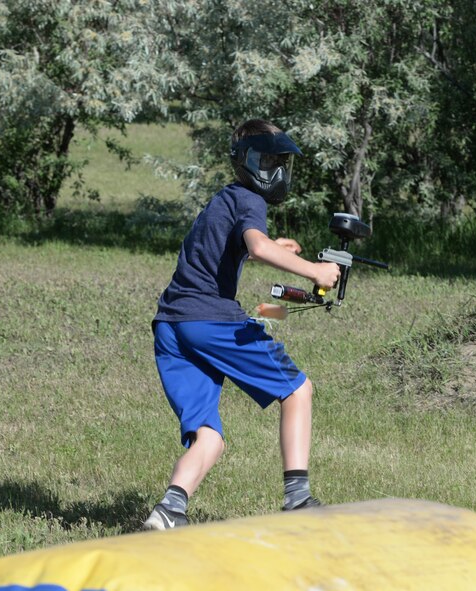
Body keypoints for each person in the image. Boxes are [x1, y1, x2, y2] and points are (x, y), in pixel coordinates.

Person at [142, 119, 341, 531]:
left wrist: (266, 249)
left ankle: (168, 512)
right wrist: (315, 271)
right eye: (267, 161)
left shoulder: (225, 198)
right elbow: (257, 245)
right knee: (298, 389)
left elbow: (225, 247)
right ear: (246, 162)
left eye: (279, 162)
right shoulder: (252, 199)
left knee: (209, 437)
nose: (276, 171)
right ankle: (298, 499)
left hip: (170, 326)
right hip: (209, 320)